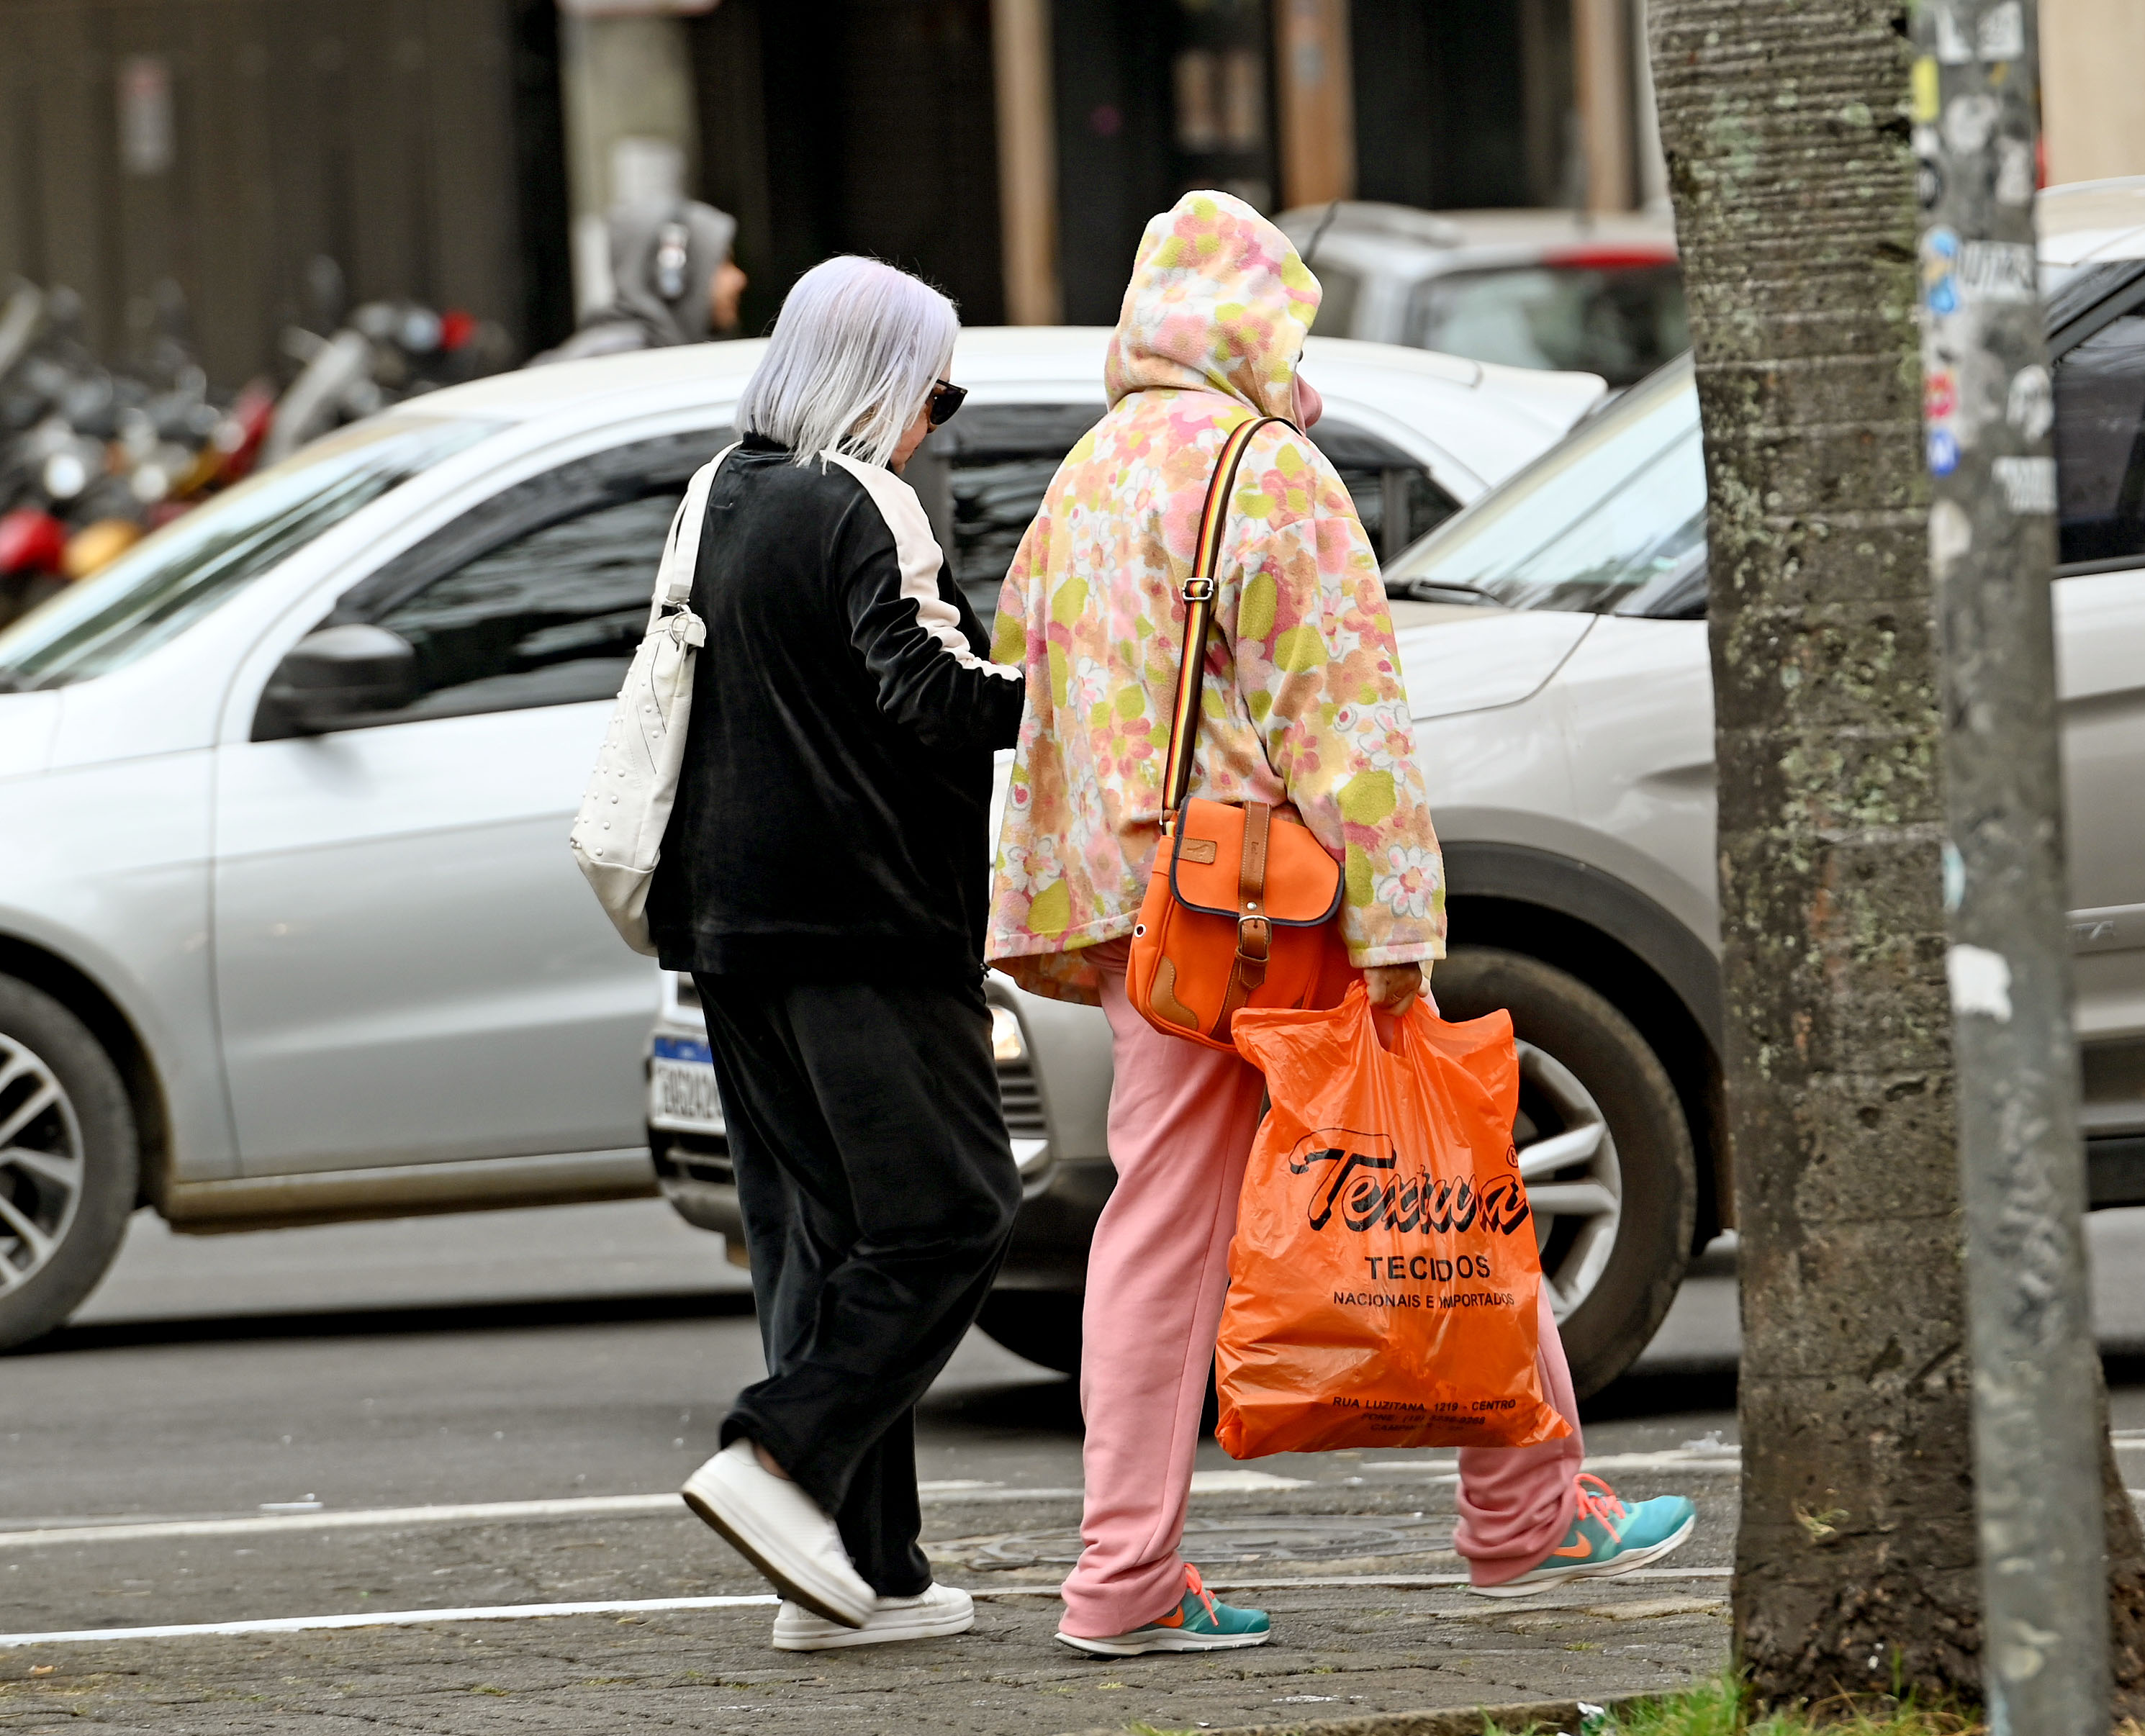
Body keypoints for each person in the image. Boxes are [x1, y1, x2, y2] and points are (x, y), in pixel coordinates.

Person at [985, 191, 1697, 1659]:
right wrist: (1395, 925)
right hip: (1283, 912)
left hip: (1149, 923)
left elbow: (1032, 694)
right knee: (1443, 1170)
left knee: (1153, 1235)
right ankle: (1525, 1510)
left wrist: (1072, 911)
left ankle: (1122, 1575)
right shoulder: (1268, 472)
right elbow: (1348, 726)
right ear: (1260, 318)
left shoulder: (1090, 474)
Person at [654, 256, 1025, 1653]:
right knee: (951, 1214)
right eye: (936, 388)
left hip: (732, 930)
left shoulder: (720, 492)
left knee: (820, 1238)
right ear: (882, 381)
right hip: (865, 926)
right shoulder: (865, 501)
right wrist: (1073, 696)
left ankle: (861, 1580)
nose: (937, 418)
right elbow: (922, 692)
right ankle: (777, 1459)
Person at [532, 196, 749, 365]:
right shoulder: (621, 363)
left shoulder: (653, 356)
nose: (739, 279)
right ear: (672, 275)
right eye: (723, 264)